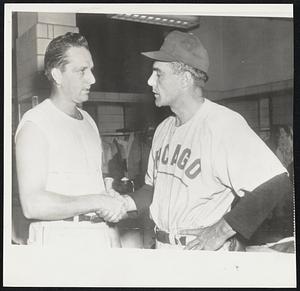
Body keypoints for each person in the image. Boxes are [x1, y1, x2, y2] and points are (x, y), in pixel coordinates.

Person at [115, 30, 293, 250]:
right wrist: (122, 203)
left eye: (158, 73)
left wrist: (221, 231)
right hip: (162, 248)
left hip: (200, 253)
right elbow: (152, 190)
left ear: (185, 79)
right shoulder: (163, 129)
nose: (150, 81)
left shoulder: (222, 124)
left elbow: (275, 182)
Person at [15, 32, 128, 247]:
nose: (92, 79)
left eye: (91, 70)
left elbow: (91, 186)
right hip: (60, 241)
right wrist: (98, 201)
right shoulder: (35, 124)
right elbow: (32, 204)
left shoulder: (88, 121)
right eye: (81, 71)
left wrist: (109, 208)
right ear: (57, 75)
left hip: (99, 238)